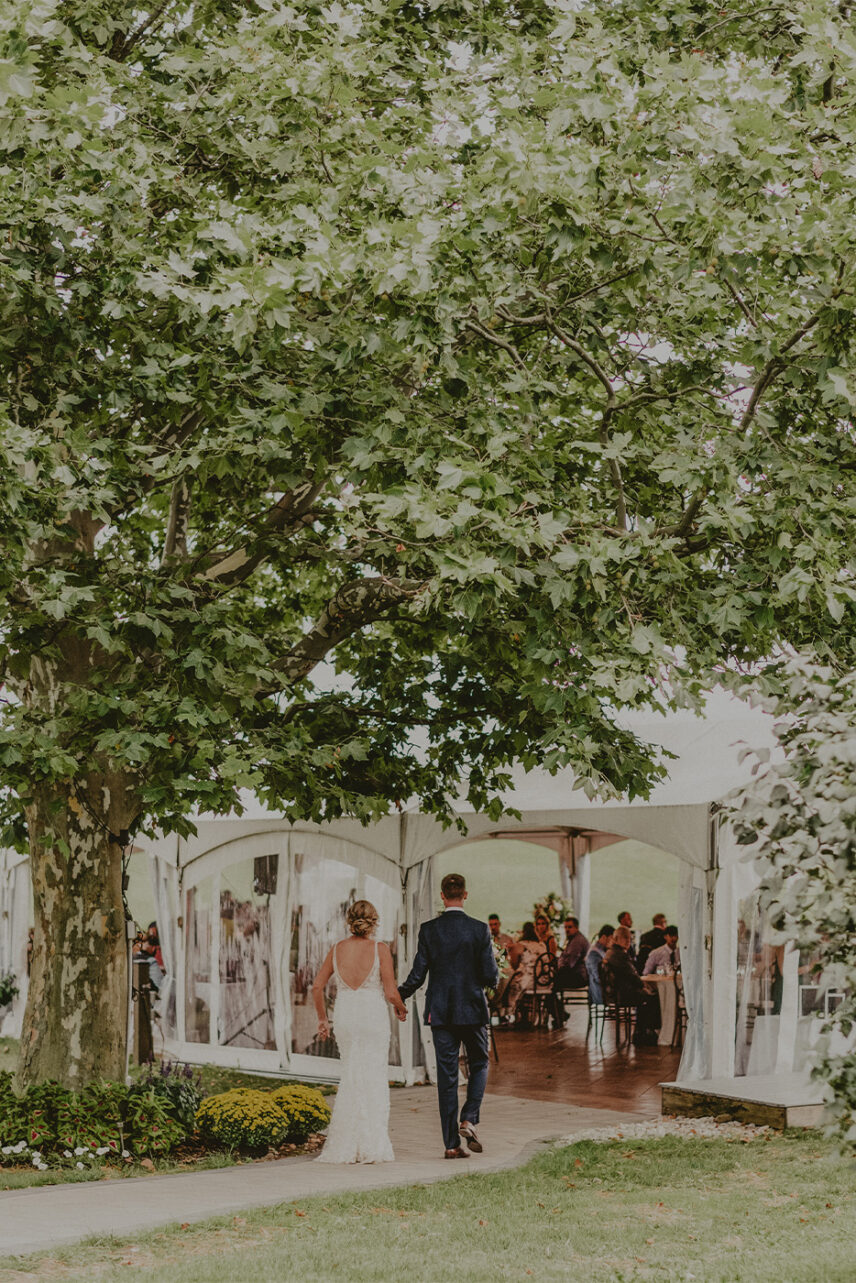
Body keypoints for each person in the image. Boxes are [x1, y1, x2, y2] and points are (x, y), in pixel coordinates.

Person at [398, 873, 498, 1159]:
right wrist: (495, 980)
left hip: (441, 1013)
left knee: (447, 1076)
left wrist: (398, 995)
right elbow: (490, 974)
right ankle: (469, 1118)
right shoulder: (480, 930)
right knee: (479, 1062)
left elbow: (418, 975)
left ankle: (451, 1145)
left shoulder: (429, 930)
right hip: (473, 1010)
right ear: (465, 895)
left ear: (442, 896)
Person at [313, 900, 407, 1164]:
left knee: (351, 1074)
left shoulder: (336, 949)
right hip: (372, 1016)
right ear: (374, 922)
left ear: (349, 920)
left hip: (346, 1015)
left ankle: (345, 1143)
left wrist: (323, 1019)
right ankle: (371, 1144)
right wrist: (401, 1008)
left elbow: (316, 987)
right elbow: (390, 992)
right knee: (373, 1076)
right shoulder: (380, 949)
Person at [603, 925, 659, 1045]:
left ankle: (641, 1031)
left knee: (647, 995)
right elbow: (632, 976)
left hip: (614, 993)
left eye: (630, 938)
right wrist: (643, 986)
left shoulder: (610, 952)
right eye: (625, 938)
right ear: (616, 939)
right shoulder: (619, 955)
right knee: (653, 998)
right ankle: (644, 1033)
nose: (628, 941)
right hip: (622, 994)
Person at [503, 922, 547, 1023]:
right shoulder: (541, 945)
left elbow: (514, 965)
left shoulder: (520, 945)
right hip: (544, 982)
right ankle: (526, 1014)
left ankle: (510, 1013)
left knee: (510, 983)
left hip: (529, 982)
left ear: (523, 932)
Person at [552, 917, 589, 1026]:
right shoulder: (573, 939)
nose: (567, 930)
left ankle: (559, 1014)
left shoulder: (577, 942)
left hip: (578, 976)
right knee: (549, 985)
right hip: (576, 974)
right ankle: (560, 1014)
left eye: (570, 927)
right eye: (565, 927)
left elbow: (569, 964)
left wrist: (556, 968)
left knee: (548, 986)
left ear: (576, 927)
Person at [585, 924, 614, 1005]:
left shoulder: (602, 951)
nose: (613, 942)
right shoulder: (594, 953)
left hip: (605, 990)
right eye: (612, 938)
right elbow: (598, 977)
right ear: (604, 937)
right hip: (600, 993)